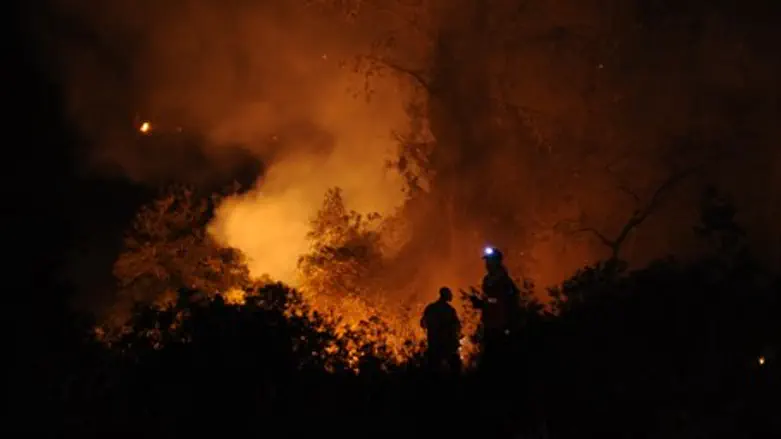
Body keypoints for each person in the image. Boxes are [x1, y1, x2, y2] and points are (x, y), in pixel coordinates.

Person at [420, 287, 462, 373]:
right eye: (450, 294)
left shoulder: (430, 308)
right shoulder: (450, 310)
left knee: (434, 369)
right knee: (454, 368)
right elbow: (457, 326)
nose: (452, 296)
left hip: (433, 344)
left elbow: (423, 324)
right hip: (447, 345)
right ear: (446, 295)